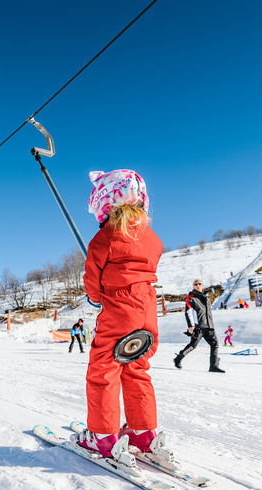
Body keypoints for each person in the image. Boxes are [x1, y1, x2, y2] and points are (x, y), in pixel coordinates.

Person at [77, 169, 163, 459]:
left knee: (104, 370)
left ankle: (102, 436)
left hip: (119, 310)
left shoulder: (103, 239)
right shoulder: (151, 237)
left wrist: (97, 298)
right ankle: (143, 432)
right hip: (147, 309)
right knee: (136, 368)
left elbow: (92, 280)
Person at [174, 280, 224, 372]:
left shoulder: (205, 297)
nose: (198, 285)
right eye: (195, 284)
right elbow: (188, 312)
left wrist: (210, 324)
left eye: (199, 284)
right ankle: (178, 358)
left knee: (215, 344)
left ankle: (213, 366)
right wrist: (191, 325)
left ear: (202, 286)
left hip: (209, 326)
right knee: (192, 346)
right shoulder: (191, 298)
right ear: (193, 286)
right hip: (198, 327)